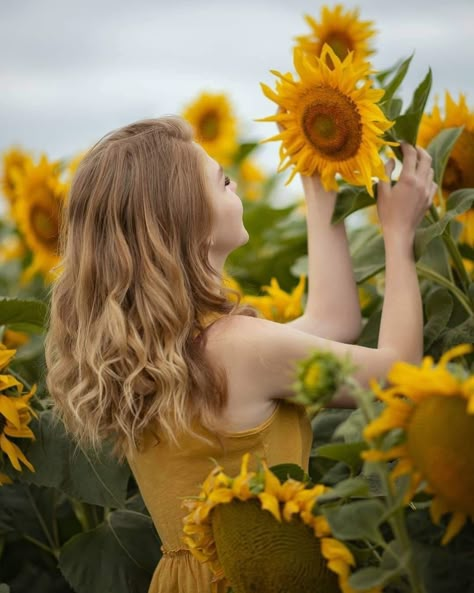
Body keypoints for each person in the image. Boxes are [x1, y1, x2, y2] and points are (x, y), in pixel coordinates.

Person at [44, 116, 436, 593]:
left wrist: (320, 186)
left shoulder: (169, 352)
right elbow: (397, 373)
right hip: (259, 578)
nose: (234, 185)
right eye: (222, 180)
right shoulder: (238, 347)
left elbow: (333, 322)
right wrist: (397, 235)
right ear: (189, 223)